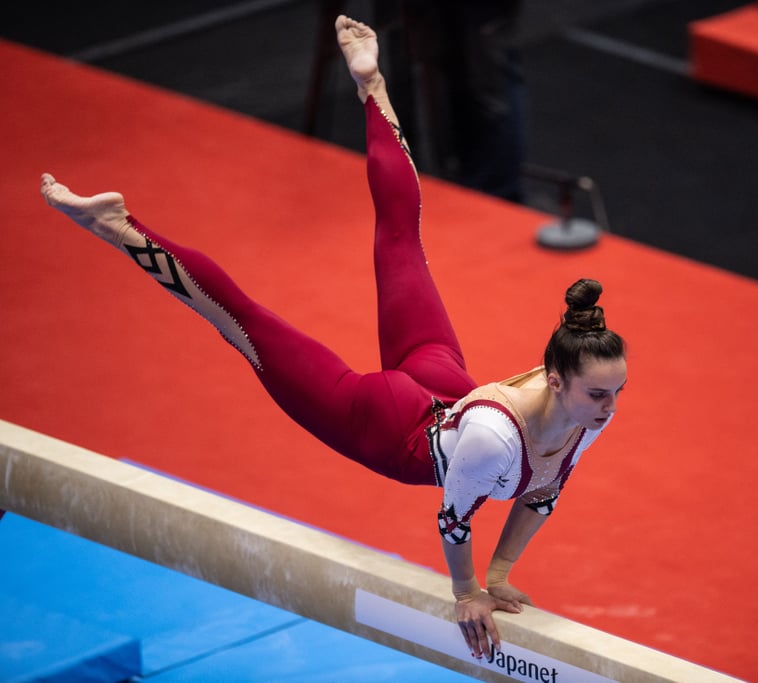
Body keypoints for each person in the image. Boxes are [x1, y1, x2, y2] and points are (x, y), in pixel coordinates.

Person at [40, 15, 627, 661]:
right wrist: (466, 591)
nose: (609, 406)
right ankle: (120, 225)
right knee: (244, 323)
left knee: (402, 239)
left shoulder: (580, 412)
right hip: (387, 429)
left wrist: (500, 575)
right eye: (599, 394)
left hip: (442, 384)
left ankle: (370, 83)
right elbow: (453, 520)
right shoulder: (499, 437)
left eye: (613, 392)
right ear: (556, 379)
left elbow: (541, 495)